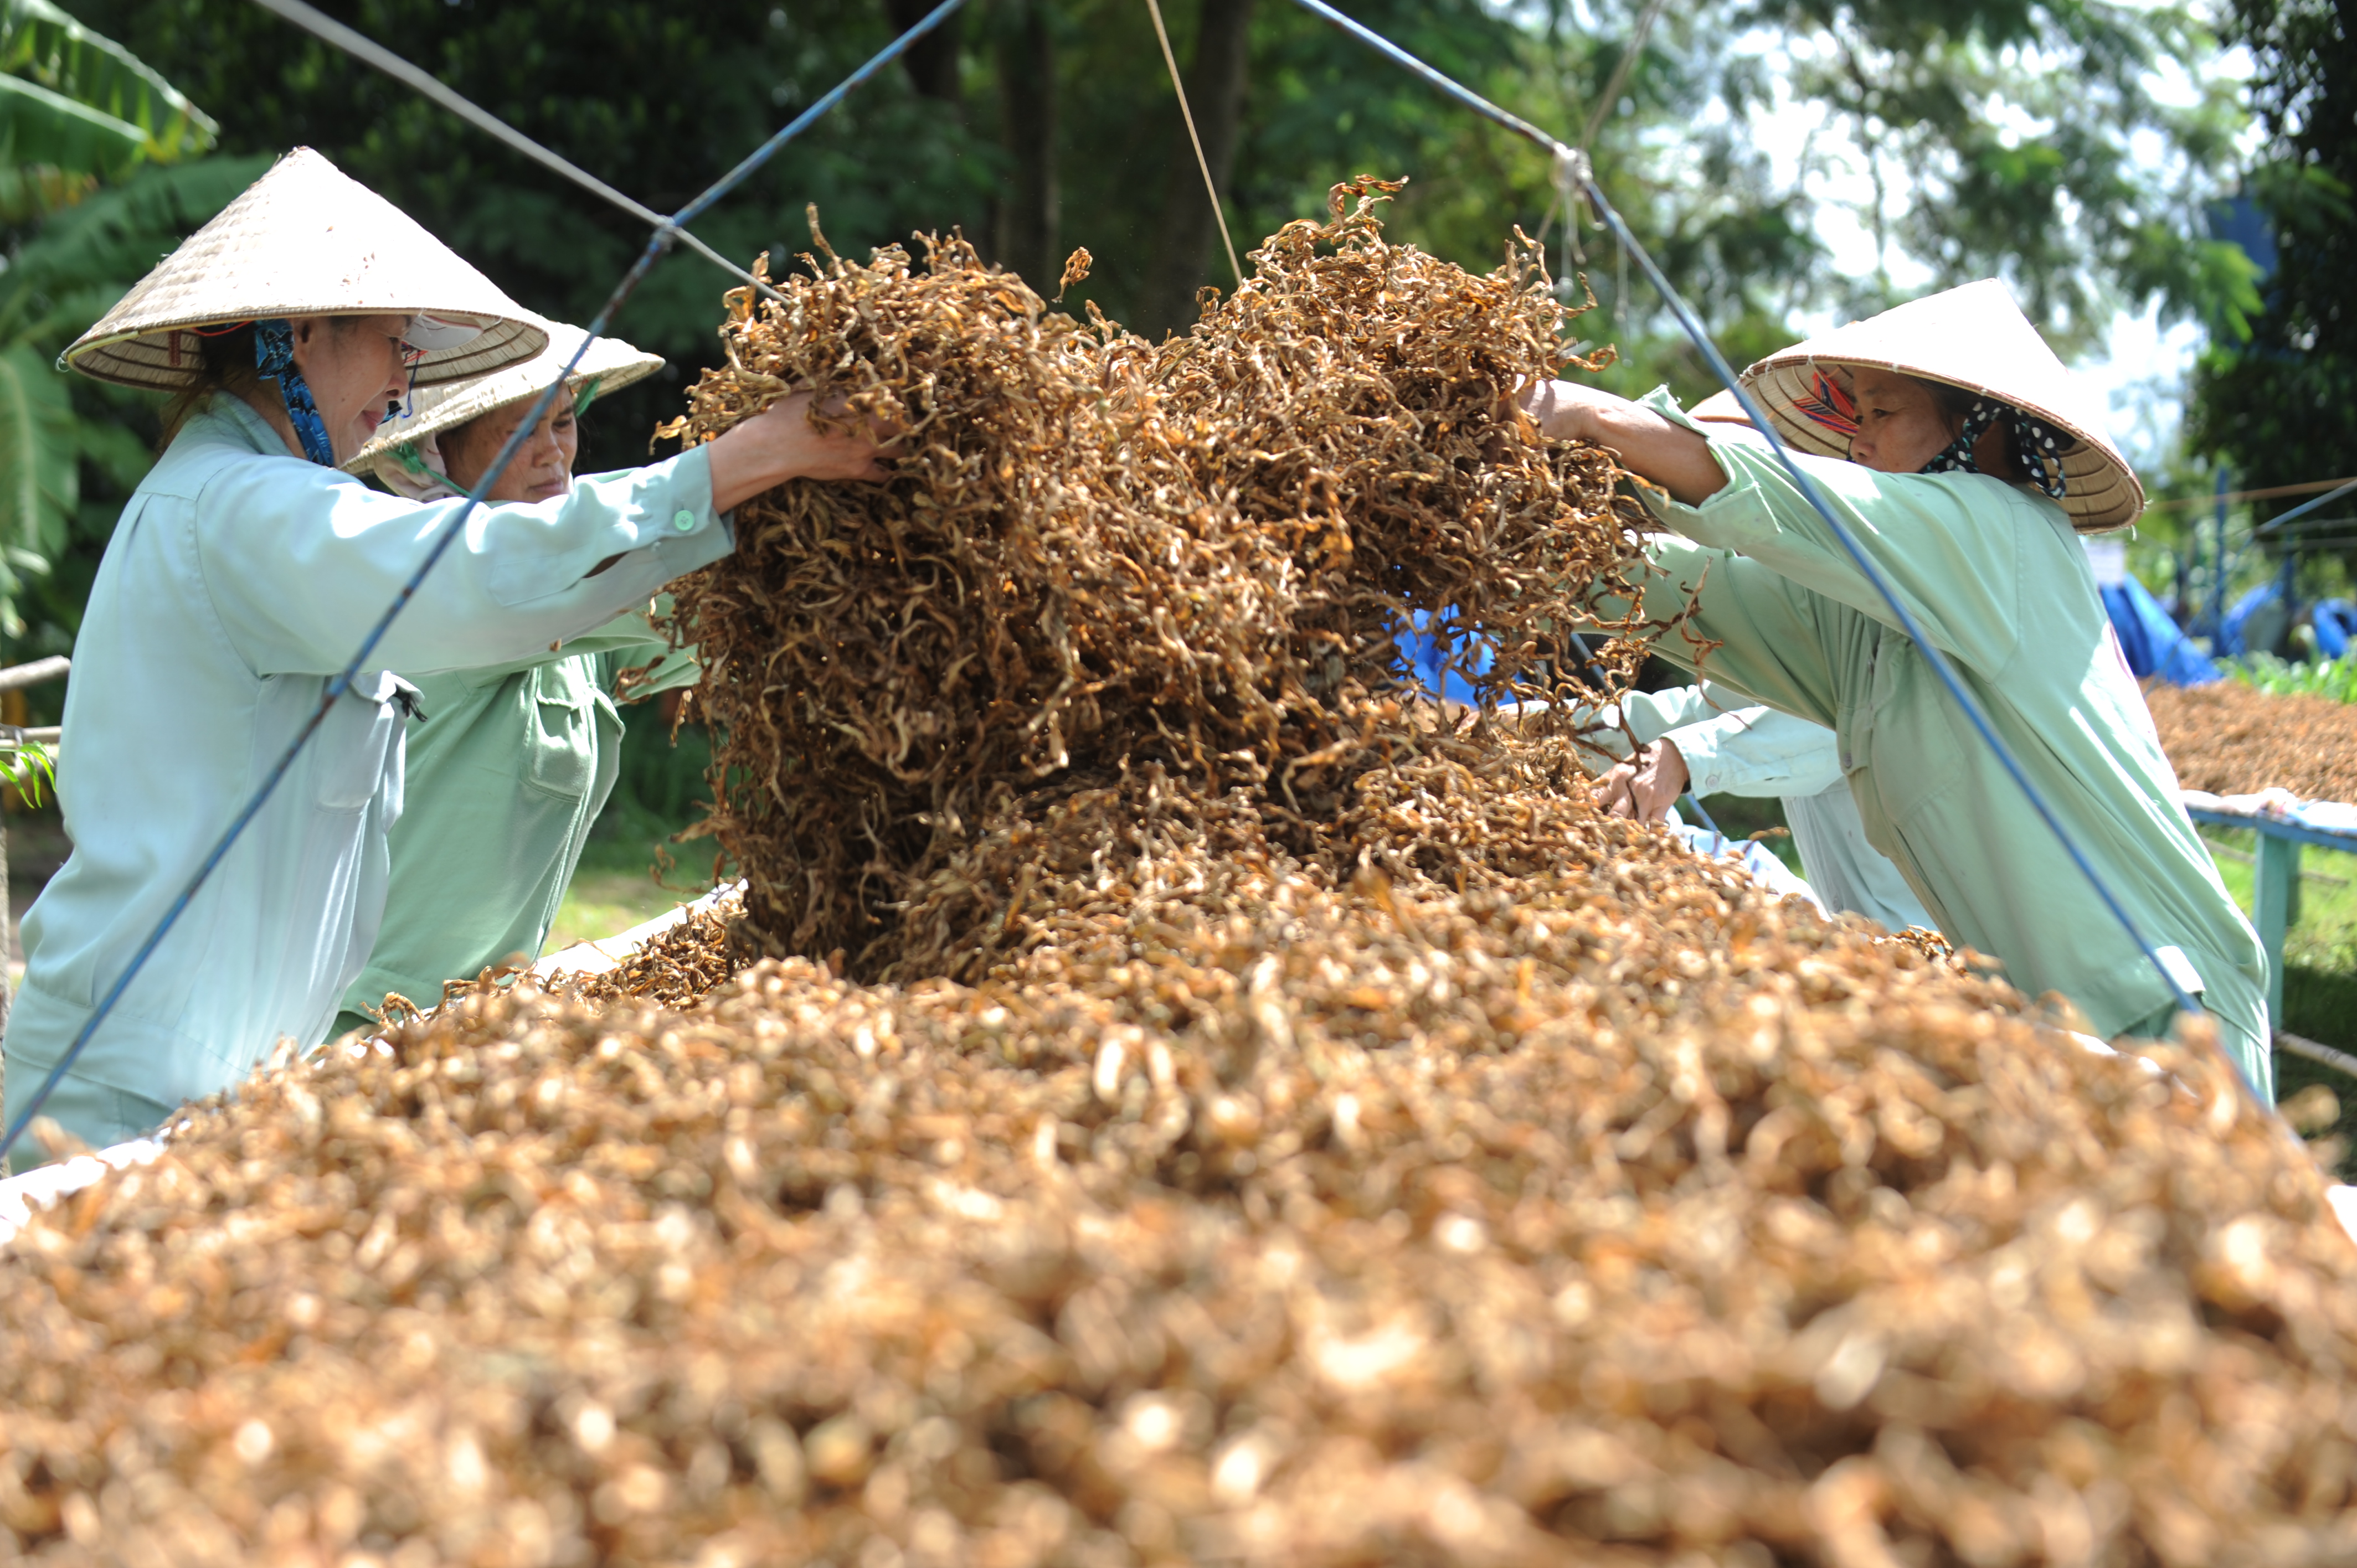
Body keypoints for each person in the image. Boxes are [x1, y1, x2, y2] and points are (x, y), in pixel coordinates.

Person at [4, 149, 885, 1163]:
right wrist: (751, 460)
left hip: (216, 1079)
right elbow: (468, 575)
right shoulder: (233, 506)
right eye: (391, 343)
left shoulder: (251, 499)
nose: (404, 380)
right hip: (124, 1093)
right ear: (300, 333)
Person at [1519, 279, 2273, 1093]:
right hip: (2060, 1033)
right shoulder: (1867, 627)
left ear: (1981, 426)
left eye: (1882, 414)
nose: (1859, 444)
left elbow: (1790, 504)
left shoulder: (2007, 533)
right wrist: (1506, 520)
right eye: (1856, 419)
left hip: (2166, 1012)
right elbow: (1691, 600)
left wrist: (1593, 415)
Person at [328, 317, 690, 1035]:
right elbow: (668, 563)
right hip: (364, 1024)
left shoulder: (578, 603)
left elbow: (706, 623)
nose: (554, 454)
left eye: (563, 423)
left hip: (476, 1023)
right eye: (521, 433)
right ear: (436, 454)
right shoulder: (437, 579)